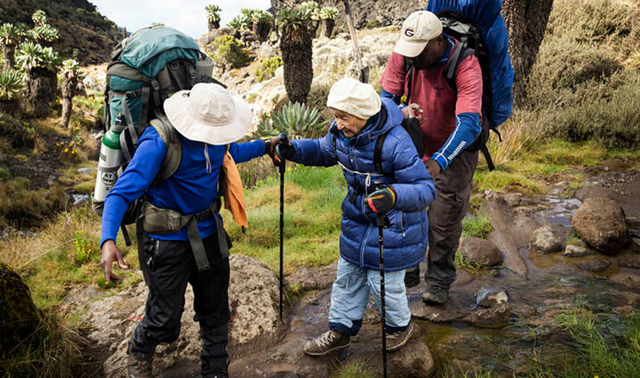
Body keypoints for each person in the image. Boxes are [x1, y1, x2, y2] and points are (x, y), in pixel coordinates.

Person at [99, 83, 280, 378]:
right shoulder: (159, 141)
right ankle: (140, 347)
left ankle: (215, 371)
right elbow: (121, 193)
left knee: (216, 312)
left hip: (210, 234)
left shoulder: (217, 139)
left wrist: (264, 145)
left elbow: (232, 151)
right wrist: (108, 239)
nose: (216, 136)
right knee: (164, 319)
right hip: (166, 242)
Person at [275, 77, 436, 356]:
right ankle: (341, 331)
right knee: (348, 276)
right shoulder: (341, 134)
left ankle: (400, 327)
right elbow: (323, 150)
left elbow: (425, 189)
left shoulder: (396, 142)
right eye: (336, 117)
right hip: (357, 221)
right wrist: (294, 151)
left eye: (343, 118)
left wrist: (393, 196)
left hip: (393, 226)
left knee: (382, 282)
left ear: (363, 115)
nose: (337, 124)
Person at [380, 10, 484, 305]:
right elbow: (386, 100)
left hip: (456, 149)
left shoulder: (465, 63)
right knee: (406, 208)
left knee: (443, 219)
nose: (412, 58)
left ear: (438, 42)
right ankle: (409, 267)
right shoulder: (404, 54)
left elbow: (469, 124)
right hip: (414, 141)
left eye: (419, 52)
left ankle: (438, 281)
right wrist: (399, 113)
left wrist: (439, 160)